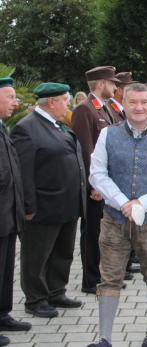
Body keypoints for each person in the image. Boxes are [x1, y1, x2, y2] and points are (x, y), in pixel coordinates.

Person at [88, 83, 147, 347]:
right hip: (113, 220)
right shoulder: (108, 134)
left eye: (144, 102)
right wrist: (121, 202)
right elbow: (97, 173)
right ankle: (104, 338)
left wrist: (143, 202)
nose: (139, 107)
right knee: (109, 277)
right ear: (124, 104)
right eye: (133, 102)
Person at [12, 82, 86, 318]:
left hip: (66, 204)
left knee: (63, 252)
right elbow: (24, 171)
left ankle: (56, 291)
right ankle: (35, 299)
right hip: (43, 206)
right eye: (66, 99)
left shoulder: (57, 125)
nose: (69, 104)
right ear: (51, 102)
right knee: (37, 255)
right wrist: (28, 206)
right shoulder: (27, 128)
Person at [72, 66, 125, 294]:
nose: (116, 87)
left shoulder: (105, 110)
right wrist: (94, 183)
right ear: (101, 83)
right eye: (113, 83)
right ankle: (90, 279)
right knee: (92, 232)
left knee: (107, 233)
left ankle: (103, 275)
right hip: (97, 185)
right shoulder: (86, 110)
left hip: (110, 182)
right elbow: (86, 150)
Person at [0, 77, 31, 347]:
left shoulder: (2, 128)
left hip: (8, 213)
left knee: (5, 268)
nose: (16, 102)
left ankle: (3, 314)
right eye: (10, 97)